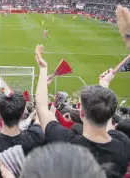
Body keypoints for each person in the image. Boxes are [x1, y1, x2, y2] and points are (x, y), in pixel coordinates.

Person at [34, 44, 130, 178]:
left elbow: (41, 107)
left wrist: (43, 69)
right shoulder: (123, 145)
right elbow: (108, 121)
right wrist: (104, 86)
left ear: (82, 113)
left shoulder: (66, 143)